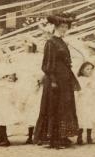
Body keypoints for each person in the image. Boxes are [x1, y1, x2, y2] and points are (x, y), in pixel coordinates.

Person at [34, 13, 81, 149]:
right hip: (55, 79)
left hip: (65, 78)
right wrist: (53, 80)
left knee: (65, 107)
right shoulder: (51, 42)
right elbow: (47, 64)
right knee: (54, 108)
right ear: (55, 26)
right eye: (61, 26)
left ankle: (63, 136)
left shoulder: (62, 42)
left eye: (66, 26)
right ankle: (53, 139)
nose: (64, 29)